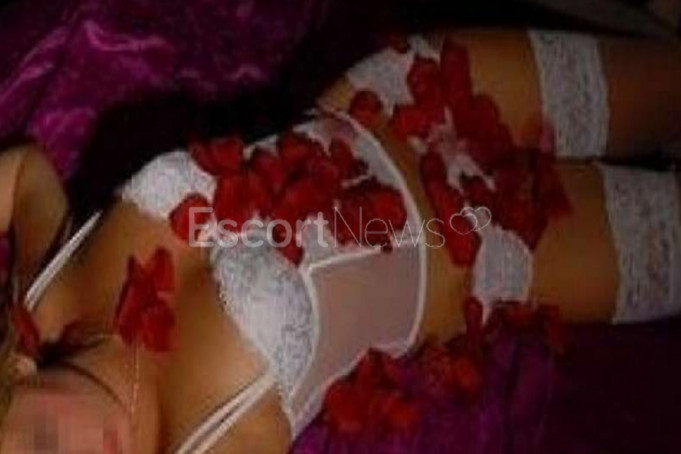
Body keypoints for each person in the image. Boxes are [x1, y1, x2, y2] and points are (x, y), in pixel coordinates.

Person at [1, 28, 681, 453]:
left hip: (405, 101)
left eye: (41, 444)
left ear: (15, 374)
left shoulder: (50, 290)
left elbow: (22, 172)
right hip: (489, 249)